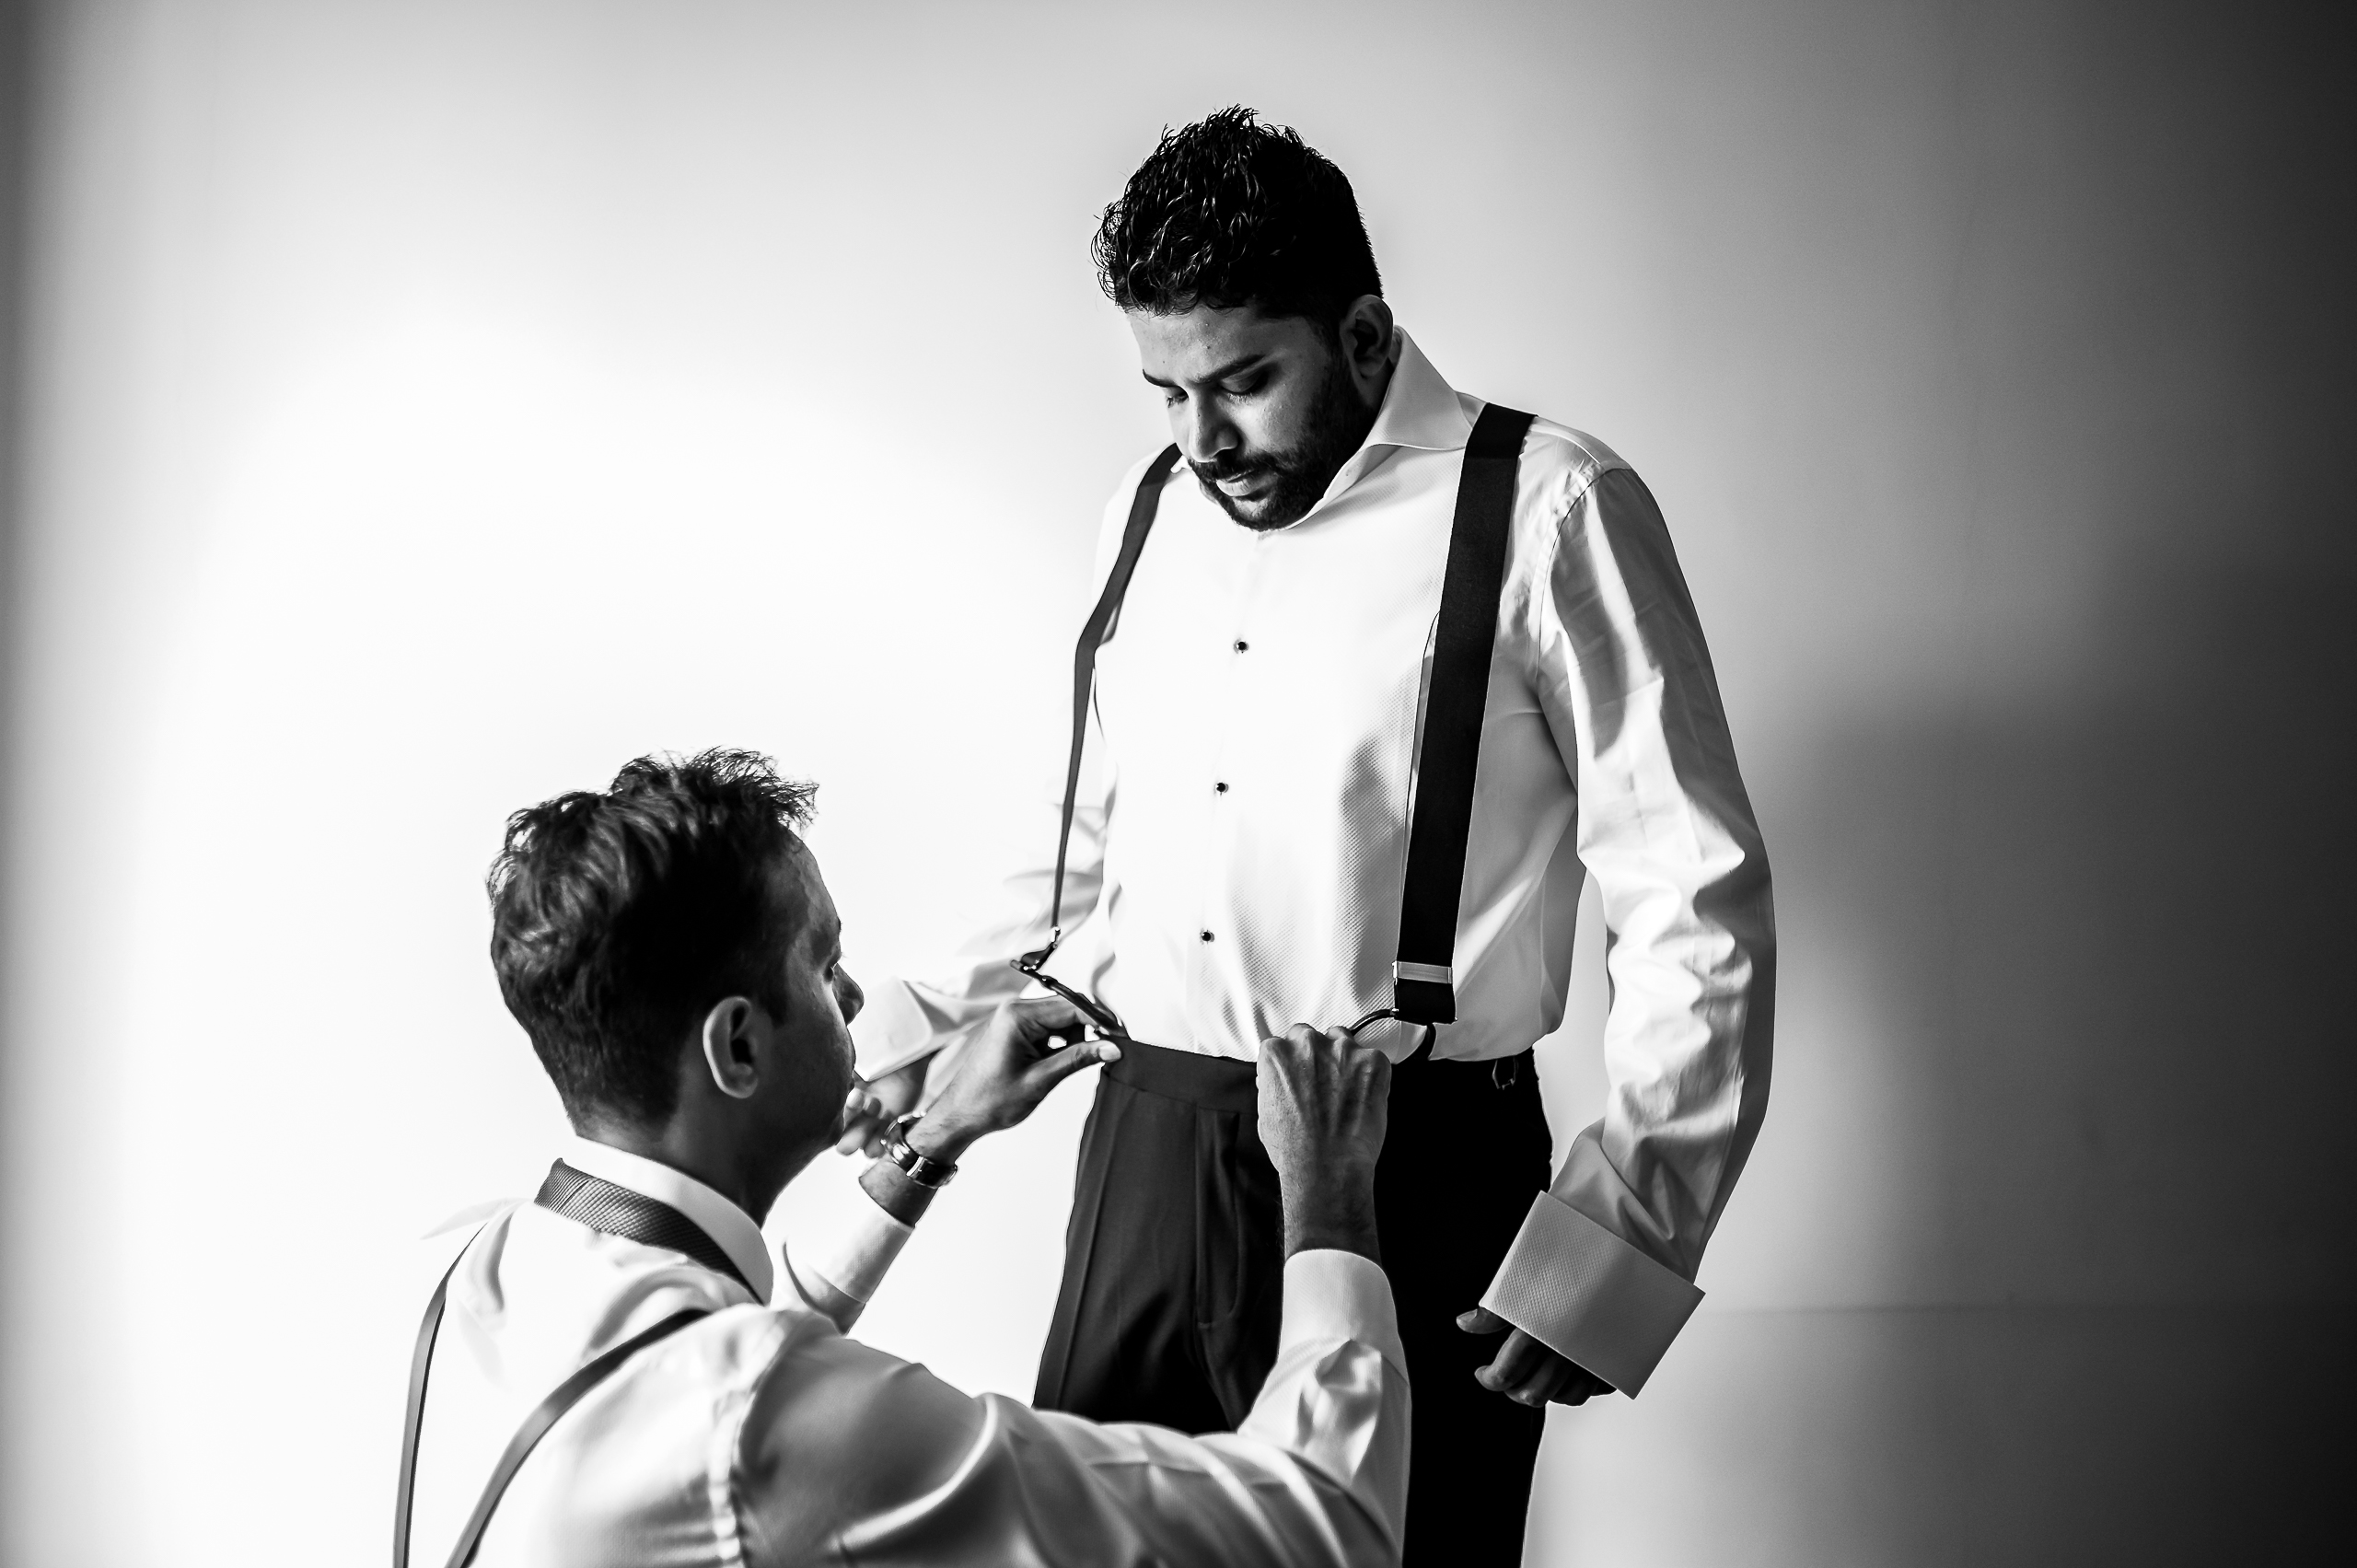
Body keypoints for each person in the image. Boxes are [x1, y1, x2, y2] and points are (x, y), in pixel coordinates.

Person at [843, 108, 1777, 1563]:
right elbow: (1086, 843)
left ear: (1363, 333)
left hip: (1422, 1165)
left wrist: (1629, 1230)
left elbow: (1690, 894)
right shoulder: (1149, 509)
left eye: (1244, 381)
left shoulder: (1547, 506)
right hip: (1149, 1145)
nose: (1203, 439)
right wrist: (912, 1034)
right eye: (1167, 392)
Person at [395, 749, 1409, 1568]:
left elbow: (712, 1340)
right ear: (737, 1045)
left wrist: (928, 1144)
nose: (851, 998)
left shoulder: (470, 1265)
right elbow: (1325, 1523)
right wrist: (1326, 1196)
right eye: (825, 962)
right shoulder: (751, 1416)